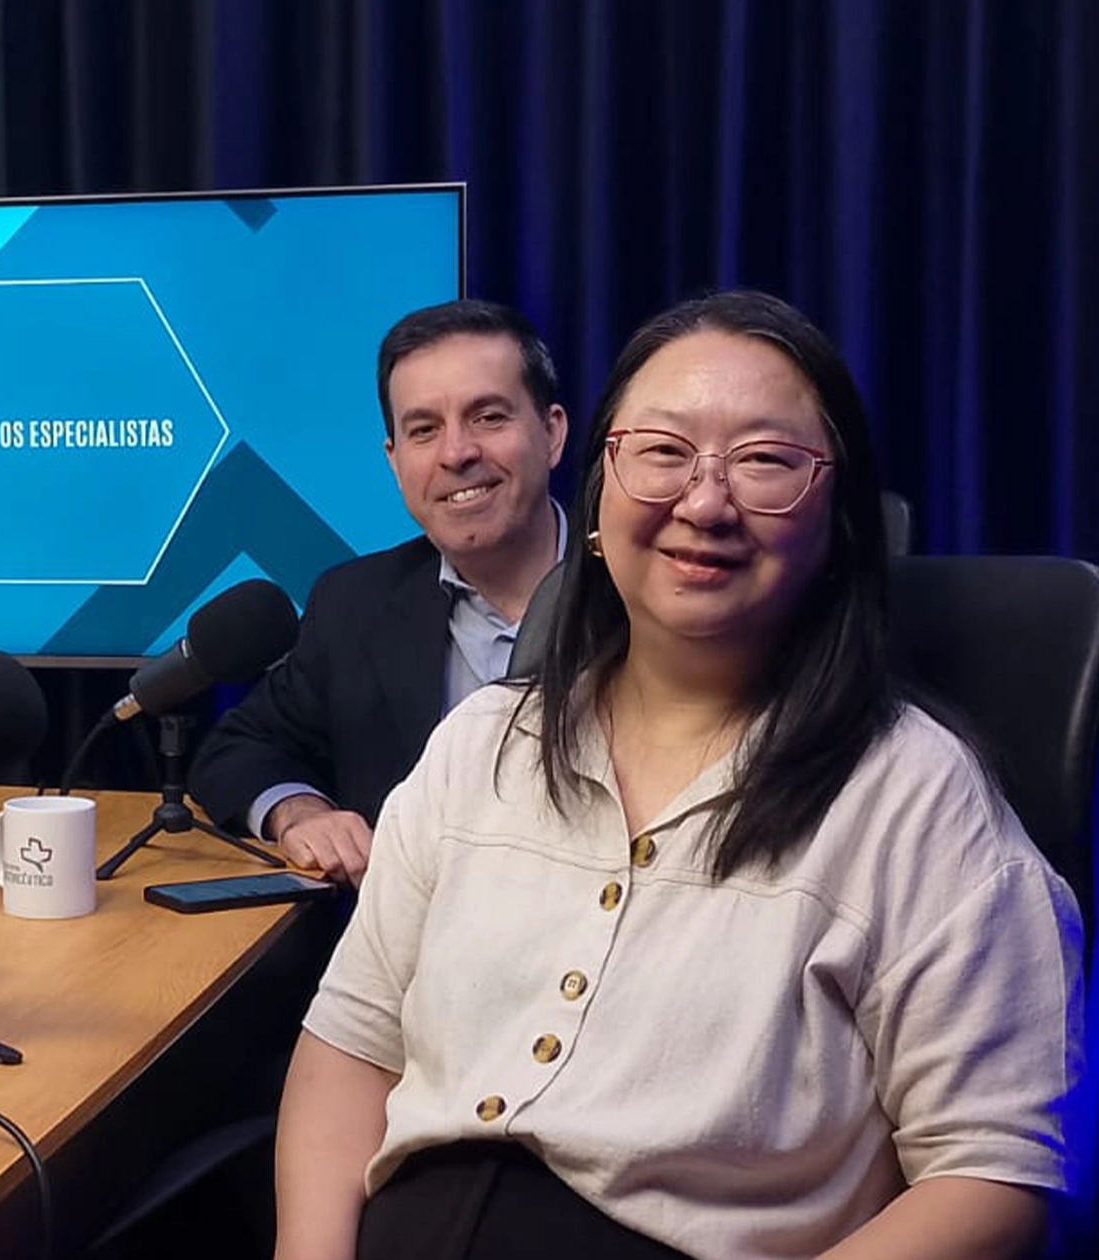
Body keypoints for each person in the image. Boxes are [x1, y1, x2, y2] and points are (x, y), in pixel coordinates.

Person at [273, 291, 1085, 1260]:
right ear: (601, 498)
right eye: (662, 451)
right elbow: (350, 1048)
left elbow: (993, 1178)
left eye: (765, 461)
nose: (704, 502)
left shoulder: (918, 804)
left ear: (838, 520)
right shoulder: (478, 746)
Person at [190, 299, 569, 884]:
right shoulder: (354, 604)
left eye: (488, 417)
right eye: (424, 430)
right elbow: (238, 749)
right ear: (394, 461)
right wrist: (299, 812)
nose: (456, 453)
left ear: (551, 433)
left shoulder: (647, 595)